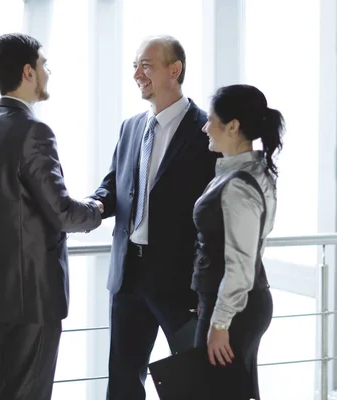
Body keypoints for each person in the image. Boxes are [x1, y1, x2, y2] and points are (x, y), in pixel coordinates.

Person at [0, 33, 103, 400]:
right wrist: (98, 209)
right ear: (28, 72)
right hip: (31, 295)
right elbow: (62, 212)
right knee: (28, 391)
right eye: (44, 66)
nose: (48, 74)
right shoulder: (33, 131)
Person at [89, 36, 218, 400]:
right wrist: (94, 206)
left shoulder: (206, 129)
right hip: (129, 278)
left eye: (146, 65)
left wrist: (205, 282)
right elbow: (114, 186)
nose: (136, 74)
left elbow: (217, 215)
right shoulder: (131, 127)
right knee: (123, 383)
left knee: (194, 383)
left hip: (182, 284)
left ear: (174, 70)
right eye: (134, 65)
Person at [191, 84, 284, 399]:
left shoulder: (238, 187)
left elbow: (241, 264)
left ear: (232, 126)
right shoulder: (253, 172)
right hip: (242, 304)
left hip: (236, 311)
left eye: (211, 120)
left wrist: (220, 324)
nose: (205, 127)